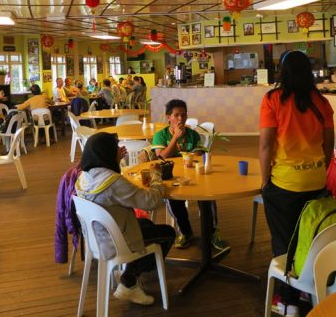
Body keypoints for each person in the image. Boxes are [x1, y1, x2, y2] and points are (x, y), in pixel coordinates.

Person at [258, 51, 334, 314]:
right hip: (316, 182)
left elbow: (267, 144)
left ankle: (288, 302)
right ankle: (305, 286)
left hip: (285, 184)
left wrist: (265, 180)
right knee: (309, 237)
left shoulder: (272, 100)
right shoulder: (321, 102)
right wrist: (319, 168)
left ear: (282, 71)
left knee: (284, 242)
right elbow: (328, 144)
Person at [74, 132, 175, 306]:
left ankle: (129, 271)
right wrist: (156, 177)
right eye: (115, 150)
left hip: (97, 238)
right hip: (116, 242)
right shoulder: (114, 182)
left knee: (147, 224)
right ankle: (129, 281)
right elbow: (151, 202)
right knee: (168, 233)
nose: (117, 152)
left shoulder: (84, 177)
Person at [150, 99, 227, 251]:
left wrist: (193, 154)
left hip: (194, 175)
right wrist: (175, 138)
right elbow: (162, 157)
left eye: (183, 115)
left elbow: (198, 155)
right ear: (168, 117)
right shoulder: (160, 135)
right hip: (172, 177)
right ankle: (186, 232)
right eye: (176, 115)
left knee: (209, 196)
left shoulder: (193, 135)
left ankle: (212, 231)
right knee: (173, 200)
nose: (180, 119)